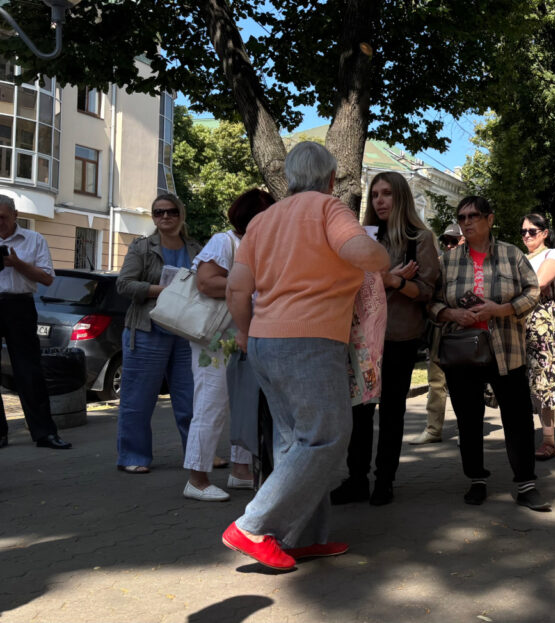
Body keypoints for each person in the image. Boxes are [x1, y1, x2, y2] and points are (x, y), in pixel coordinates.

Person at [220, 142, 389, 570]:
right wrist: (382, 256)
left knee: (294, 441)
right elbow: (363, 254)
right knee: (327, 437)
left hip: (263, 340)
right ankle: (253, 525)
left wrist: (243, 332)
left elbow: (237, 288)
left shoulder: (262, 221)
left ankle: (299, 538)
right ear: (331, 178)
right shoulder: (330, 209)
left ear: (290, 177)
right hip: (311, 341)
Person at [428, 196, 550, 511]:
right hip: (462, 351)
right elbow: (430, 303)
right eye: (462, 217)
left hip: (506, 350)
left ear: (489, 219)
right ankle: (476, 480)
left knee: (518, 418)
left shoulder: (512, 255)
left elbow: (533, 291)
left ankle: (526, 484)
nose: (466, 222)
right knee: (468, 420)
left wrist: (503, 308)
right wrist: (451, 315)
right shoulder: (448, 261)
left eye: (473, 216)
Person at [332, 172, 440, 506]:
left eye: (387, 194)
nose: (379, 200)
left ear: (402, 198)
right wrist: (387, 277)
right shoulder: (363, 238)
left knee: (392, 412)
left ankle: (385, 481)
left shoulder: (419, 239)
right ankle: (356, 480)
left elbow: (426, 291)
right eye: (375, 194)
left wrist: (392, 283)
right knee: (359, 413)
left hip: (398, 336)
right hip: (361, 338)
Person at [181, 189, 273, 502]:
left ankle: (241, 471)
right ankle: (197, 478)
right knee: (211, 403)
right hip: (215, 337)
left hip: (241, 334)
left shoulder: (255, 246)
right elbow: (206, 281)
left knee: (243, 402)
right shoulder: (225, 242)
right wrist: (250, 287)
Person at [116, 194, 202, 473]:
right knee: (138, 399)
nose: (165, 216)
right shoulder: (142, 247)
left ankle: (197, 456)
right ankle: (133, 457)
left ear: (181, 214)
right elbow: (124, 285)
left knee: (190, 400)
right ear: (153, 217)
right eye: (158, 212)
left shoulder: (195, 248)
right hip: (146, 330)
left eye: (171, 212)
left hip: (185, 332)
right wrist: (162, 291)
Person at [0, 196, 71, 450]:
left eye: (3, 218)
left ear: (15, 215)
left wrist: (17, 263)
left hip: (20, 305)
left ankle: (44, 433)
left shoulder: (34, 240)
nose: (0, 224)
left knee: (29, 371)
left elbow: (47, 279)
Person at [411, 223, 462, 445]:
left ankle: (468, 428)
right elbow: (428, 298)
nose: (449, 245)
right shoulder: (439, 265)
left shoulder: (473, 264)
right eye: (446, 241)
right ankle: (433, 429)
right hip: (440, 330)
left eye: (454, 241)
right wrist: (440, 312)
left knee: (464, 383)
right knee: (436, 381)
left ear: (463, 241)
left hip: (464, 333)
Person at [520, 213, 555, 459]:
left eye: (532, 231)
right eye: (524, 231)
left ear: (544, 233)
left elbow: (539, 282)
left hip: (539, 323)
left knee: (543, 379)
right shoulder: (520, 257)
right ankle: (522, 436)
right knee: (519, 380)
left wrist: (519, 290)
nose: (527, 235)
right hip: (516, 320)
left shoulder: (551, 254)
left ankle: (549, 440)